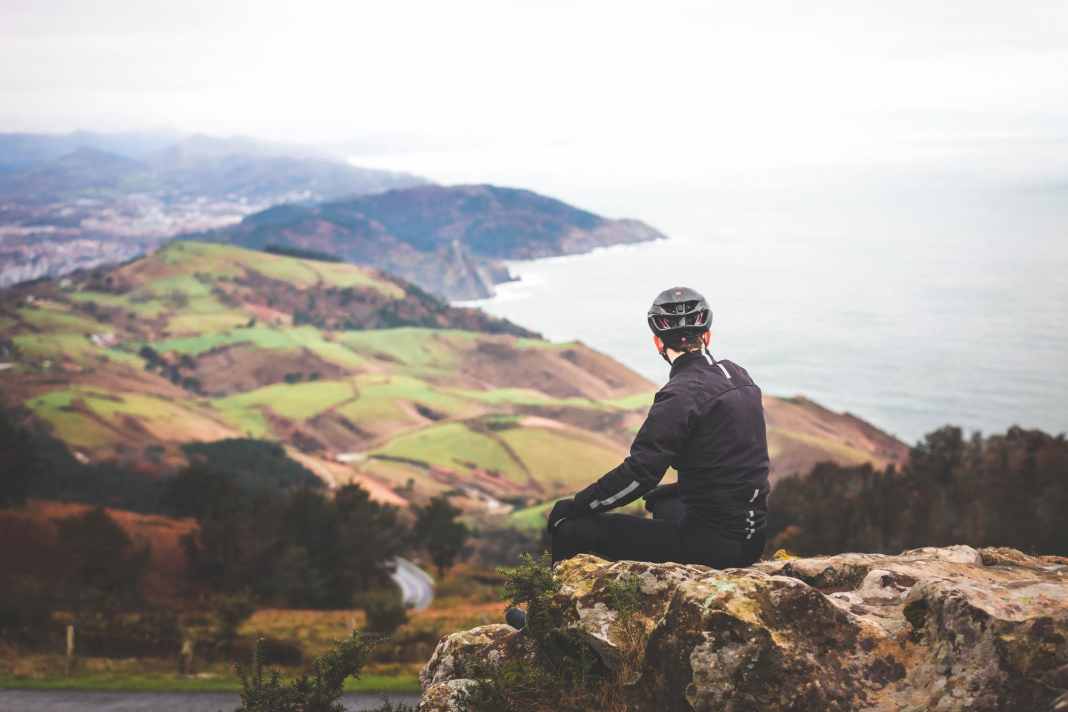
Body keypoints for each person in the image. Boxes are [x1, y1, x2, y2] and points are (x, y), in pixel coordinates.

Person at [549, 286, 770, 568]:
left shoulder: (679, 395)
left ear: (657, 343)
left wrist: (579, 504)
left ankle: (548, 611)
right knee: (662, 501)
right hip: (752, 536)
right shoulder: (737, 374)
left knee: (569, 526)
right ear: (707, 336)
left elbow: (639, 474)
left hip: (714, 547)